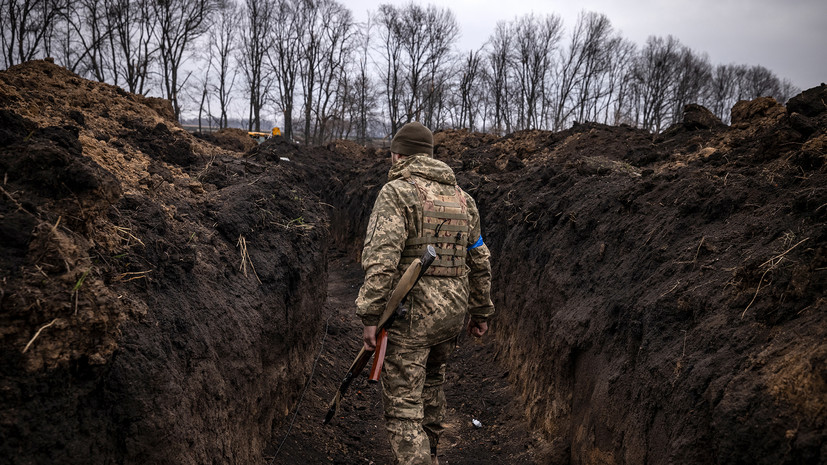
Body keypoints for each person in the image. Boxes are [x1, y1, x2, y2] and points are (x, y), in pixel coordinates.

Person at [356, 122, 494, 465]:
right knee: (432, 385)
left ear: (398, 153)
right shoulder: (464, 199)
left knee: (404, 409)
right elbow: (478, 258)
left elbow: (382, 261)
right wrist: (480, 310)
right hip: (451, 316)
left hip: (411, 317)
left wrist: (371, 316)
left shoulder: (397, 193)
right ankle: (430, 455)